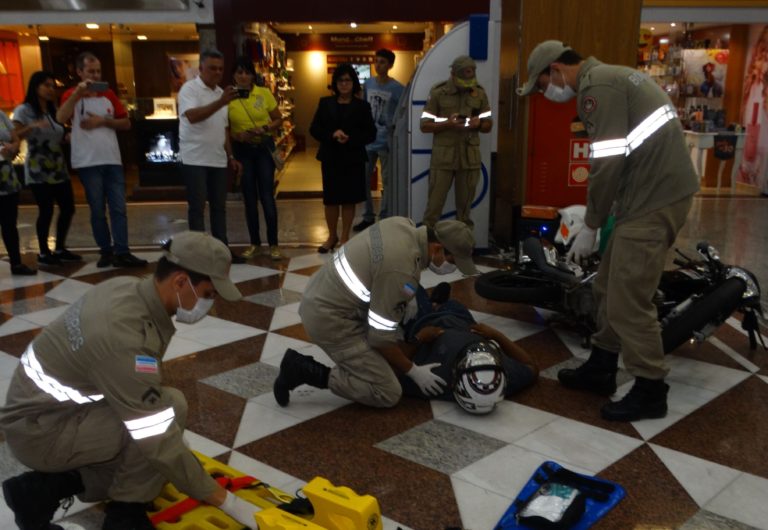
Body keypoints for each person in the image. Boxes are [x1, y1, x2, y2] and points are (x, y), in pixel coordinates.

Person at [0, 231, 261, 530]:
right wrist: (227, 502)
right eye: (208, 294)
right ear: (179, 282)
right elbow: (156, 437)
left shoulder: (126, 288)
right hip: (40, 431)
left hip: (46, 414)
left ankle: (37, 492)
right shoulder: (123, 337)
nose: (210, 304)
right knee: (160, 427)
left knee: (163, 416)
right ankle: (124, 515)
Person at [517, 40, 700, 422]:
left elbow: (606, 162)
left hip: (654, 201)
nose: (545, 93)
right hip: (645, 198)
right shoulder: (608, 78)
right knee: (607, 286)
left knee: (629, 298)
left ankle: (651, 388)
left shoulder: (596, 89)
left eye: (542, 84)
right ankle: (602, 365)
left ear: (557, 69)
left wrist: (592, 225)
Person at [273, 217, 478, 409]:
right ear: (437, 248)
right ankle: (303, 370)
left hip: (325, 294)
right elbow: (380, 338)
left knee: (393, 350)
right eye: (452, 262)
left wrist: (410, 293)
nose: (451, 268)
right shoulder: (401, 271)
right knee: (388, 391)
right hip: (329, 319)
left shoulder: (402, 224)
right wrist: (413, 371)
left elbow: (385, 273)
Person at [57, 51, 147, 269]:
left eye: (98, 71)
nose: (95, 76)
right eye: (91, 71)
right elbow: (60, 118)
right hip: (87, 162)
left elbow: (125, 123)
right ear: (79, 72)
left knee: (118, 207)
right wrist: (77, 93)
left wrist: (102, 121)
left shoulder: (108, 94)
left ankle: (122, 251)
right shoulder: (71, 94)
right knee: (97, 209)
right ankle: (106, 251)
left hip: (112, 159)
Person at [398, 284, 538, 414]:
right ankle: (438, 303)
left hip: (425, 321)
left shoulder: (434, 383)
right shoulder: (499, 377)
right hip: (463, 319)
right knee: (454, 304)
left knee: (409, 286)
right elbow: (531, 366)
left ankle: (435, 303)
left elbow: (395, 367)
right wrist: (496, 335)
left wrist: (419, 338)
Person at [178, 49, 245, 263]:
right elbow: (192, 116)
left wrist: (231, 156)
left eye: (220, 69)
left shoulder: (220, 93)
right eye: (212, 68)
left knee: (219, 207)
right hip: (194, 159)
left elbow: (223, 128)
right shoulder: (189, 89)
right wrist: (221, 102)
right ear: (201, 69)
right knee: (197, 207)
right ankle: (198, 254)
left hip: (217, 159)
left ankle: (221, 251)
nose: (217, 72)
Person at [13, 71, 81, 267]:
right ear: (36, 87)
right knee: (46, 209)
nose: (51, 89)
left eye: (53, 86)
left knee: (68, 207)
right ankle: (44, 251)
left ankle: (60, 247)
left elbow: (56, 133)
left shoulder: (53, 110)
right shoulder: (24, 110)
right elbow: (16, 134)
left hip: (58, 166)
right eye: (46, 85)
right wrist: (32, 126)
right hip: (38, 168)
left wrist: (65, 138)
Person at [420, 55, 493, 229]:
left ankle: (461, 249)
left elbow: (488, 124)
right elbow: (424, 126)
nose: (467, 85)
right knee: (433, 209)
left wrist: (479, 124)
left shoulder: (479, 93)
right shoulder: (438, 93)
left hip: (468, 160)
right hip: (443, 160)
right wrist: (448, 123)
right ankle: (427, 247)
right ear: (453, 74)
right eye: (463, 80)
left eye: (470, 80)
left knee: (465, 212)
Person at [309, 63, 376, 252]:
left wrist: (351, 138)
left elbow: (370, 133)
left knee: (348, 199)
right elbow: (314, 129)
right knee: (330, 199)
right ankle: (332, 236)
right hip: (331, 156)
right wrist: (332, 134)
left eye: (348, 80)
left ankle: (345, 237)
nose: (344, 84)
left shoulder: (363, 106)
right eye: (340, 80)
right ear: (335, 83)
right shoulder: (325, 103)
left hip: (353, 157)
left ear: (354, 83)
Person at [228, 57, 283, 261]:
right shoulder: (228, 97)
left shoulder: (263, 93)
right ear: (233, 75)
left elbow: (278, 118)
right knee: (249, 199)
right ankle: (255, 243)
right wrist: (237, 136)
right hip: (242, 150)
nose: (243, 76)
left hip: (263, 149)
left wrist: (265, 128)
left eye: (247, 72)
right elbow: (225, 128)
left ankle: (274, 244)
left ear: (253, 75)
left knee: (267, 197)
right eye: (239, 72)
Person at [353, 49, 404, 232]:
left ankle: (385, 215)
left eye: (382, 62)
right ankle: (368, 216)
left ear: (390, 65)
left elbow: (402, 113)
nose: (378, 65)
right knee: (363, 179)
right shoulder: (368, 84)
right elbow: (364, 108)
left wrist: (393, 128)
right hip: (368, 140)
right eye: (376, 61)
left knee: (388, 180)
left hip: (387, 141)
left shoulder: (398, 89)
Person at [0, 111, 36, 276]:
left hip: (5, 173)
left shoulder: (1, 115)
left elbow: (14, 137)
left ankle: (16, 263)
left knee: (9, 222)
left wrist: (14, 147)